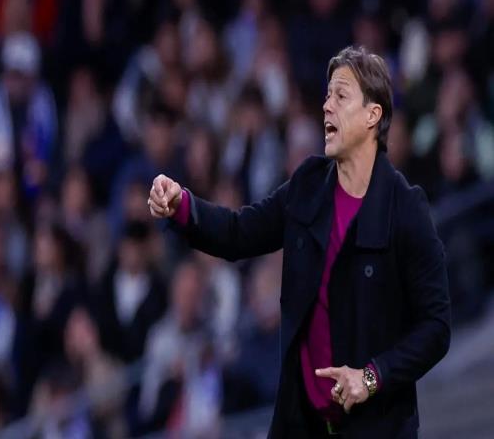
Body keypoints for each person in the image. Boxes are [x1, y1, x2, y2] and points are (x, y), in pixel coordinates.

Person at [148, 46, 451, 438]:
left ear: (372, 115)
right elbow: (239, 233)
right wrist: (183, 206)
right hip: (302, 424)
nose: (326, 106)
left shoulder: (405, 209)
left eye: (341, 96)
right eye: (327, 95)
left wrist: (371, 377)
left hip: (376, 428)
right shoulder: (309, 185)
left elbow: (436, 327)